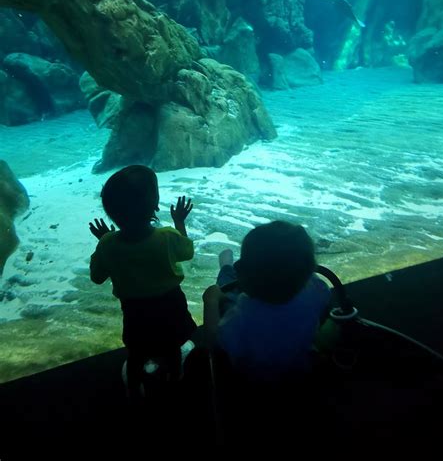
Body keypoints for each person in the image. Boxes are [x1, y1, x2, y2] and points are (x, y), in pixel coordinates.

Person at [89, 165, 196, 398]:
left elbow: (97, 277)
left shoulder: (108, 244)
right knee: (172, 345)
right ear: (153, 204)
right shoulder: (167, 236)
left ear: (111, 211)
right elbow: (187, 252)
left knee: (136, 351)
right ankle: (175, 377)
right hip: (171, 305)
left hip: (135, 311)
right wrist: (179, 222)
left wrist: (103, 241)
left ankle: (134, 388)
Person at [202, 220, 331, 383]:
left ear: (251, 281)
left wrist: (211, 301)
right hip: (298, 370)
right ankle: (228, 268)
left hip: (254, 383)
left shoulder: (242, 317)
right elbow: (299, 274)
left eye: (244, 262)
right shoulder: (317, 289)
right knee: (235, 285)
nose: (239, 265)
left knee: (225, 289)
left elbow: (214, 342)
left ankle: (225, 267)